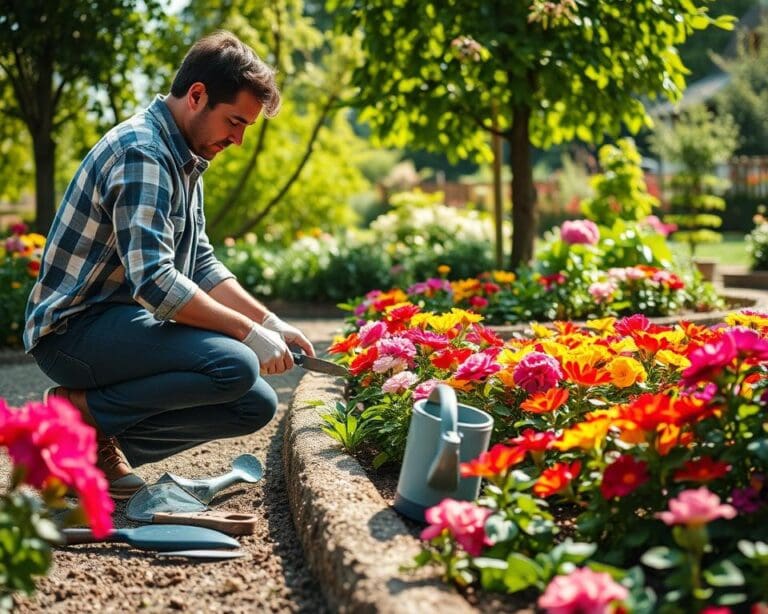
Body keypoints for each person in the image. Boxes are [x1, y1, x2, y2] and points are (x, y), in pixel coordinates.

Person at [23, 31, 315, 499]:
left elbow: (199, 262)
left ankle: (82, 448)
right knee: (236, 364)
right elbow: (156, 282)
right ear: (197, 95)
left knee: (254, 402)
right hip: (72, 333)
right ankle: (77, 413)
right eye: (234, 122)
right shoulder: (143, 152)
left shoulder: (186, 156)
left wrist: (269, 321)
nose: (237, 140)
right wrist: (249, 334)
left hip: (123, 325)